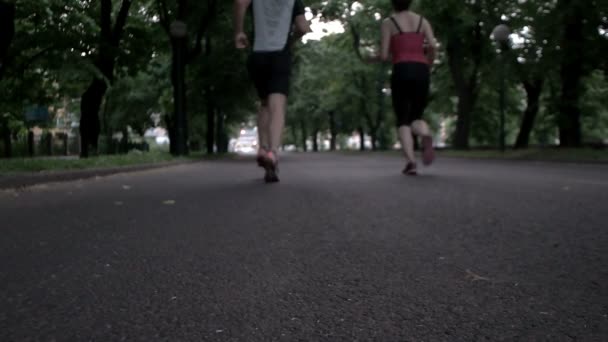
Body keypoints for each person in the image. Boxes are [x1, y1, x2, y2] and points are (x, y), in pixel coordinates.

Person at [234, 0, 311, 183]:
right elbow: (301, 26)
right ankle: (272, 153)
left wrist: (239, 30)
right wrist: (291, 40)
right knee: (278, 105)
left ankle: (262, 147)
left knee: (264, 103)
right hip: (280, 55)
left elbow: (239, 2)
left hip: (258, 55)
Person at [368, 0, 436, 175]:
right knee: (416, 116)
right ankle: (425, 134)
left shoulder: (389, 23)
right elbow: (433, 46)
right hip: (421, 70)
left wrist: (372, 58)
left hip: (401, 69)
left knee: (403, 119)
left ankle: (411, 162)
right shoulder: (423, 21)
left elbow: (384, 55)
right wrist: (428, 63)